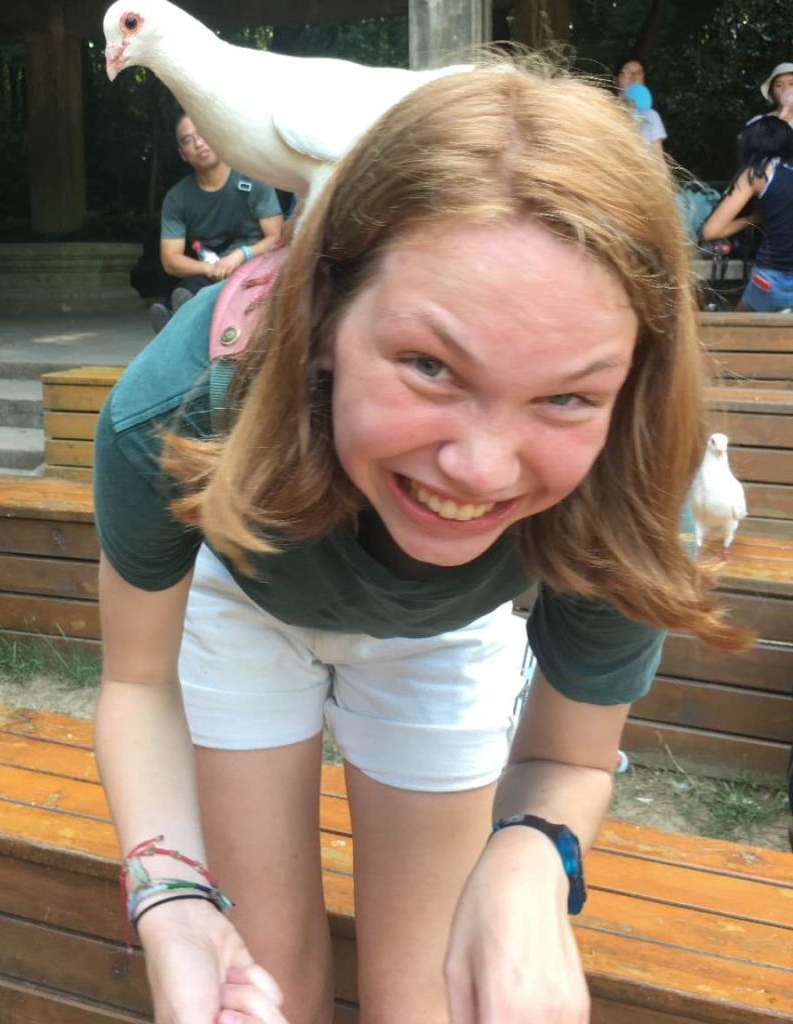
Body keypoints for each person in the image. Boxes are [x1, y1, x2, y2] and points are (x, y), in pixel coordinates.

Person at [93, 61, 747, 1024]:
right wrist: (173, 897)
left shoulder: (634, 465)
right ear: (322, 318)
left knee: (427, 998)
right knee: (263, 984)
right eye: (431, 366)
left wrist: (533, 858)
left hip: (447, 629)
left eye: (567, 394)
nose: (480, 473)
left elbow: (568, 762)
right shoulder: (173, 412)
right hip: (246, 594)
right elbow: (139, 683)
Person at [150, 116, 283, 331]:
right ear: (183, 154)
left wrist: (242, 255)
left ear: (217, 136)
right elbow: (170, 260)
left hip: (255, 269)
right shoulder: (177, 198)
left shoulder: (254, 179)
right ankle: (178, 317)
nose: (198, 143)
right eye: (187, 140)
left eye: (202, 133)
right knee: (190, 290)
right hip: (210, 272)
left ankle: (179, 319)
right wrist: (210, 268)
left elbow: (277, 239)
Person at [701, 115, 793, 311]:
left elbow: (711, 231)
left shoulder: (759, 172)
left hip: (771, 279)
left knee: (739, 335)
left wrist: (752, 219)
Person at [616, 58, 666, 159]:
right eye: (628, 72)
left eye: (639, 73)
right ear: (617, 79)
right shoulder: (603, 110)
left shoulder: (650, 116)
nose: (634, 77)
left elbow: (659, 159)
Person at [753, 62, 793, 127]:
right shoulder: (758, 123)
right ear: (772, 92)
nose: (786, 89)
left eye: (792, 84)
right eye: (779, 85)